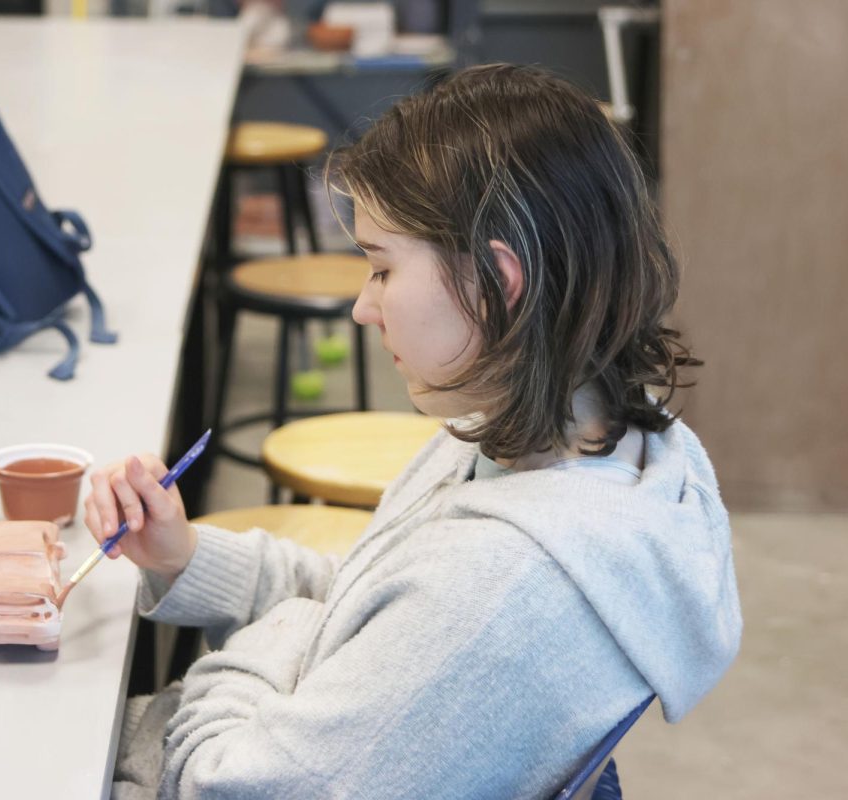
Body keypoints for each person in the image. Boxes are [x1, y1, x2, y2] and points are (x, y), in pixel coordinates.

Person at [93, 64, 742, 799]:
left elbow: (236, 786)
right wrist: (186, 557)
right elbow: (365, 609)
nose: (363, 310)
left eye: (382, 269)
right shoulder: (549, 433)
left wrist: (268, 643)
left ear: (498, 282)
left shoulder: (500, 590)